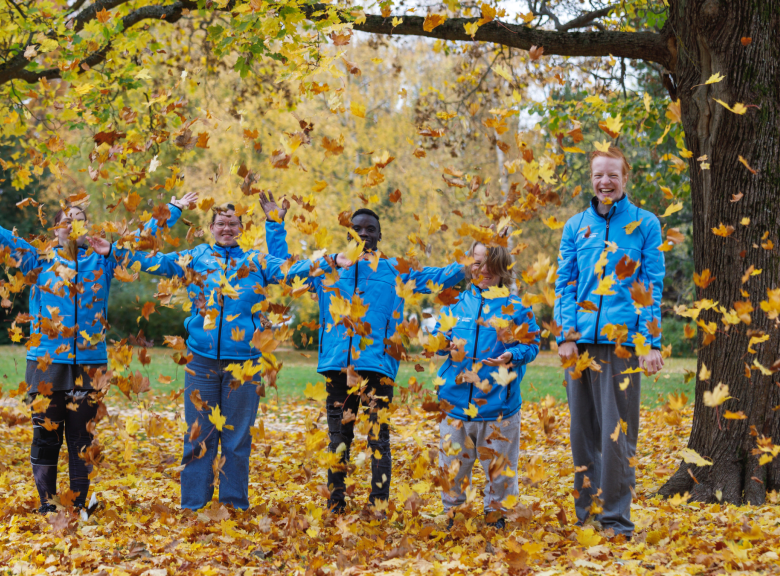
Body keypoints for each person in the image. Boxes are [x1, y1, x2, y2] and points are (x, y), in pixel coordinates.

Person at [0, 187, 194, 516]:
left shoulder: (104, 257)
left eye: (80, 222)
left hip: (90, 364)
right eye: (66, 222)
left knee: (81, 440)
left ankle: (78, 505)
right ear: (54, 230)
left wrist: (172, 208)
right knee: (46, 435)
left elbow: (141, 239)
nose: (72, 227)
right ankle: (48, 505)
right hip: (46, 363)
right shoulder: (37, 260)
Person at [90, 202, 326, 511]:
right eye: (221, 223)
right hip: (200, 361)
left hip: (244, 364)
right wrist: (117, 250)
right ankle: (193, 506)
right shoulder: (196, 257)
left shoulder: (255, 260)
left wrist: (325, 257)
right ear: (212, 228)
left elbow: (287, 270)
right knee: (198, 438)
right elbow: (150, 260)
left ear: (242, 229)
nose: (227, 228)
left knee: (237, 441)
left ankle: (233, 507)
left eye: (233, 223)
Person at [259, 192, 466, 514]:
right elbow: (287, 272)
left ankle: (379, 504)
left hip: (377, 367)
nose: (365, 234)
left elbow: (441, 277)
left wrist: (476, 258)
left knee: (377, 440)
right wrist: (274, 224)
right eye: (358, 228)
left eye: (371, 229)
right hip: (337, 368)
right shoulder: (327, 270)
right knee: (338, 440)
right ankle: (335, 503)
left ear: (380, 235)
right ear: (349, 233)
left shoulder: (397, 270)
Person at [553, 146, 665, 539]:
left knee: (617, 435)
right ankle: (586, 515)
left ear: (625, 178)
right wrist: (565, 336)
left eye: (612, 175)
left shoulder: (645, 224)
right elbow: (565, 284)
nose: (605, 182)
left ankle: (616, 520)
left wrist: (651, 343)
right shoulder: (575, 226)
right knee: (582, 433)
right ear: (591, 178)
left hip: (622, 345)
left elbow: (651, 286)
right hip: (580, 345)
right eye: (599, 174)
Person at [430, 242, 540, 529]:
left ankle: (496, 518)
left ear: (503, 268)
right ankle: (455, 516)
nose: (483, 269)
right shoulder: (456, 303)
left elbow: (532, 345)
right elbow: (437, 341)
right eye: (477, 262)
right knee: (452, 470)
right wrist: (444, 344)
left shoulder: (516, 308)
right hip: (455, 405)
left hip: (498, 407)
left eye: (490, 263)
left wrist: (511, 355)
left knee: (500, 472)